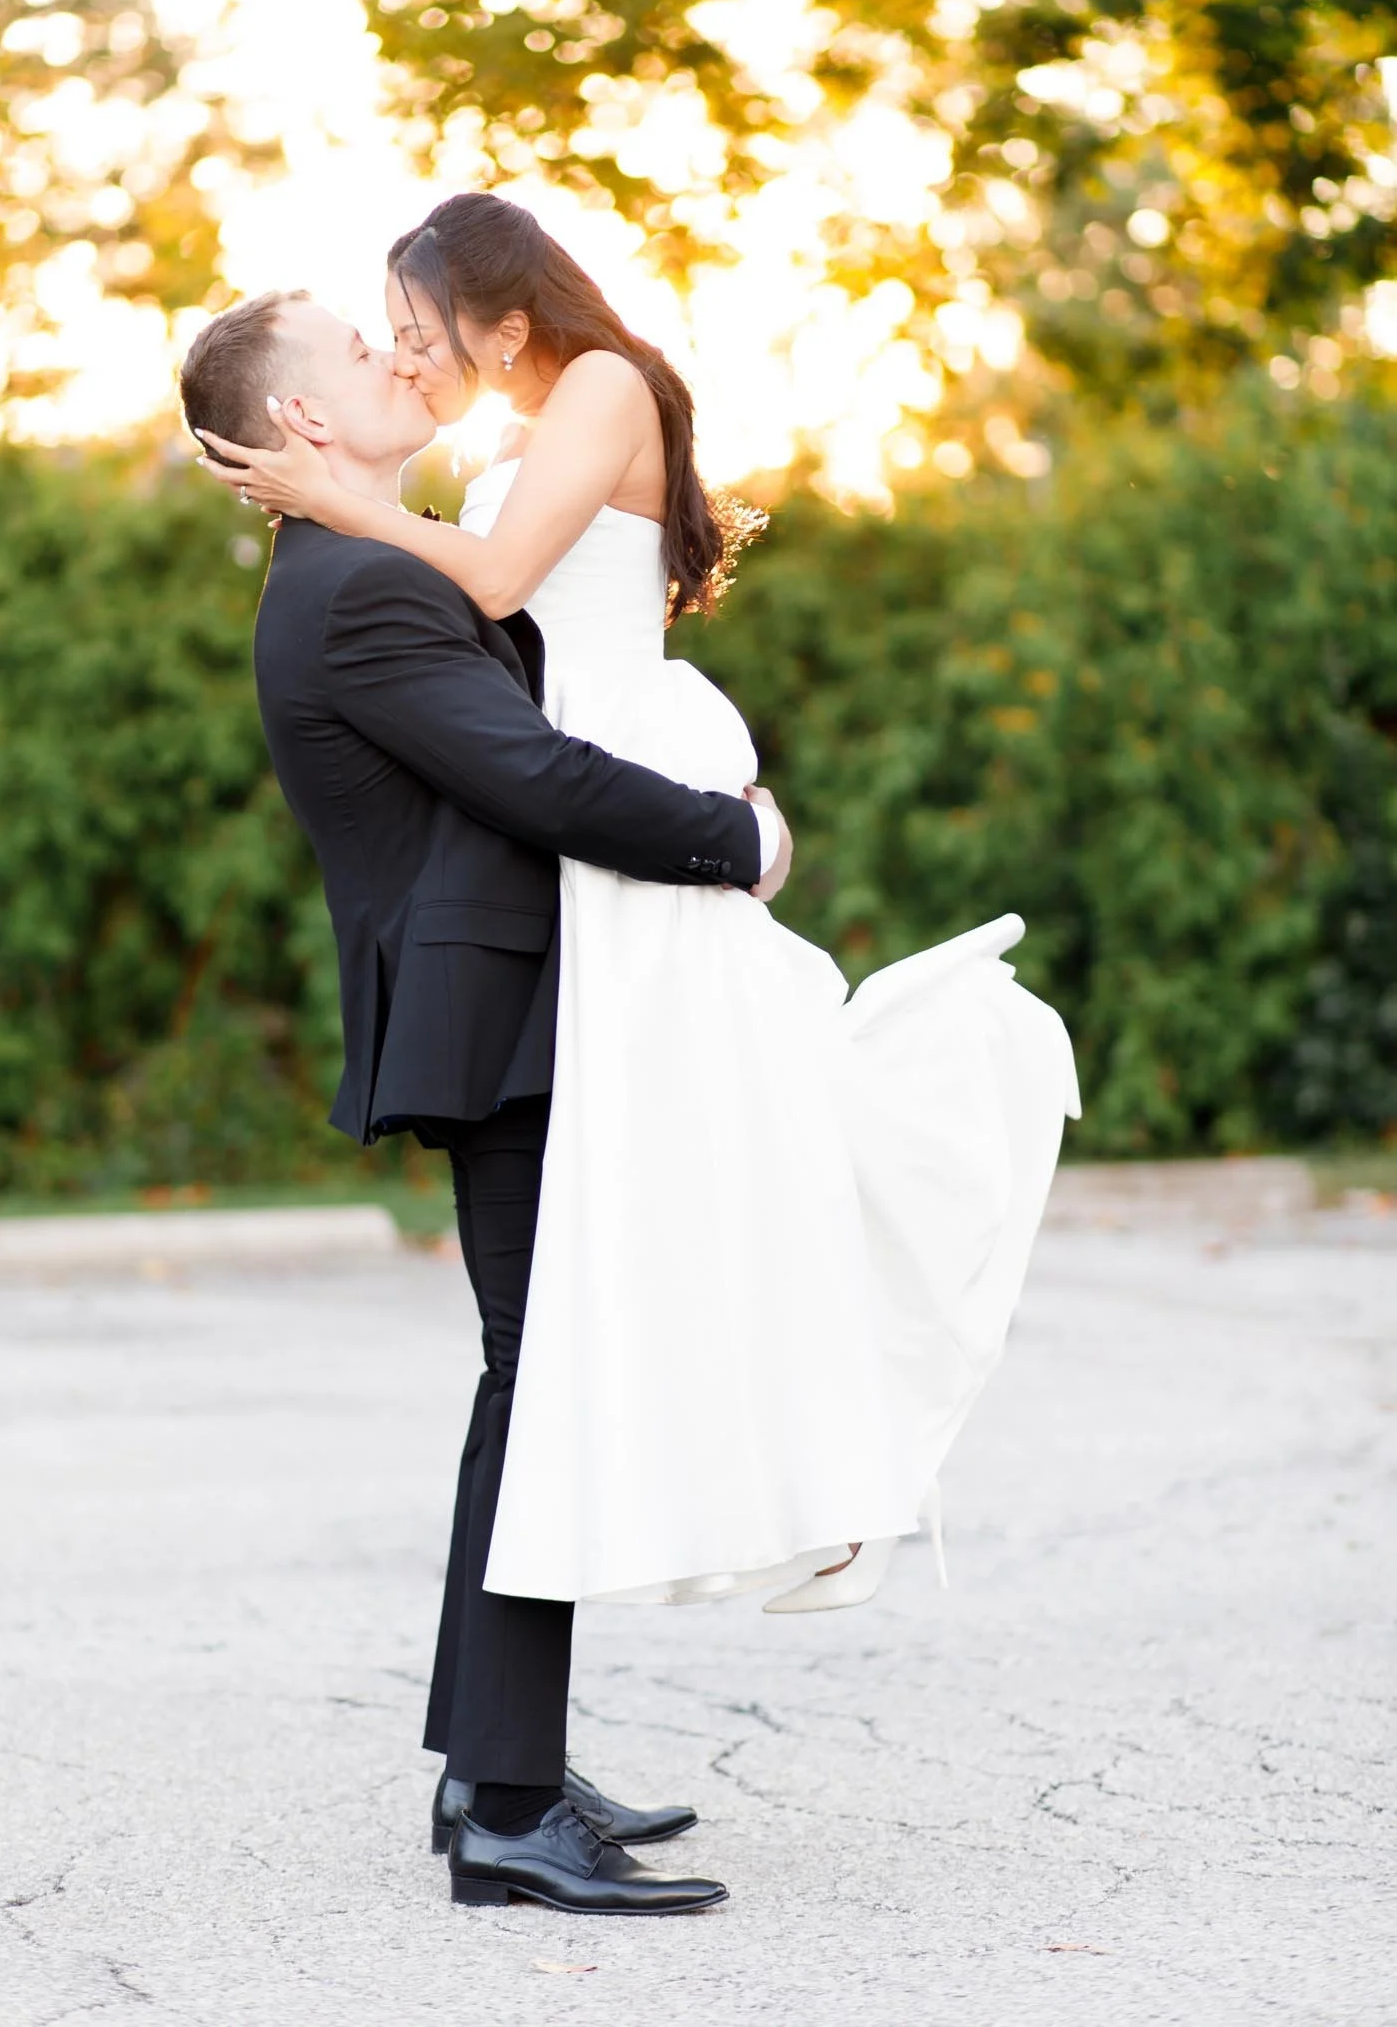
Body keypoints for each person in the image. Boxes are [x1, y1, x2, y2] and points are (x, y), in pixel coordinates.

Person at [197, 194, 1080, 1628]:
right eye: (386, 346)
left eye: (419, 336)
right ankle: (519, 1765)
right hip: (578, 827)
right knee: (659, 1236)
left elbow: (491, 586)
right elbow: (476, 632)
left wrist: (344, 504)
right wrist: (355, 511)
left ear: (507, 322)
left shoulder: (601, 386)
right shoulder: (487, 458)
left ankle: (796, 1504)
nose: (411, 363)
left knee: (724, 1181)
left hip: (618, 785)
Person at [179, 290, 792, 1915]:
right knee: (547, 1387)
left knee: (533, 1379)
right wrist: (738, 839)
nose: (399, 357)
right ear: (304, 426)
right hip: (502, 1016)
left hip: (511, 1007)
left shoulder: (369, 560)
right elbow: (531, 777)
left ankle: (489, 1765)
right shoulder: (362, 591)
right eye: (360, 351)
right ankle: (509, 1808)